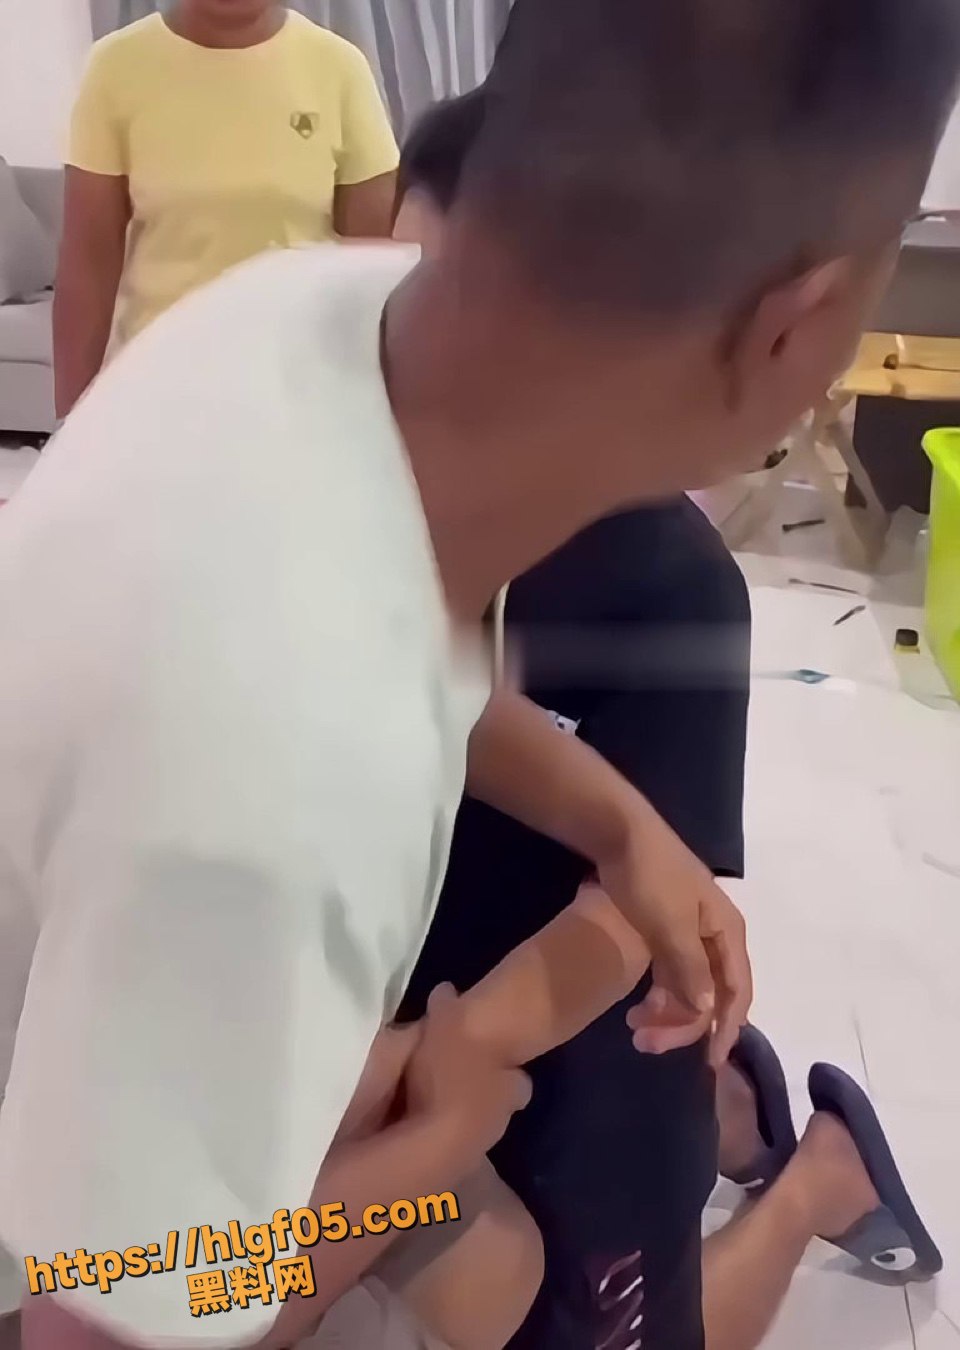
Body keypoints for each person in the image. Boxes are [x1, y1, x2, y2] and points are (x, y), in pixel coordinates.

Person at [1, 0, 956, 1346]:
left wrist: (617, 823)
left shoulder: (296, 315)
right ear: (800, 329)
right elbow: (119, 1304)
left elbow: (403, 644)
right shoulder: (258, 805)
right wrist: (426, 1152)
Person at [392, 92, 941, 1350]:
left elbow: (635, 899)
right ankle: (736, 1107)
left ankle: (813, 1177)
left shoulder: (666, 584)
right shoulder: (348, 512)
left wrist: (460, 1049)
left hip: (567, 1037)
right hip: (410, 1027)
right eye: (405, 314)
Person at [54, 0, 400, 420]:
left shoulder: (338, 66)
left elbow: (372, 266)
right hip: (158, 390)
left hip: (298, 391)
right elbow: (88, 266)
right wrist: (70, 425)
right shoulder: (116, 66)